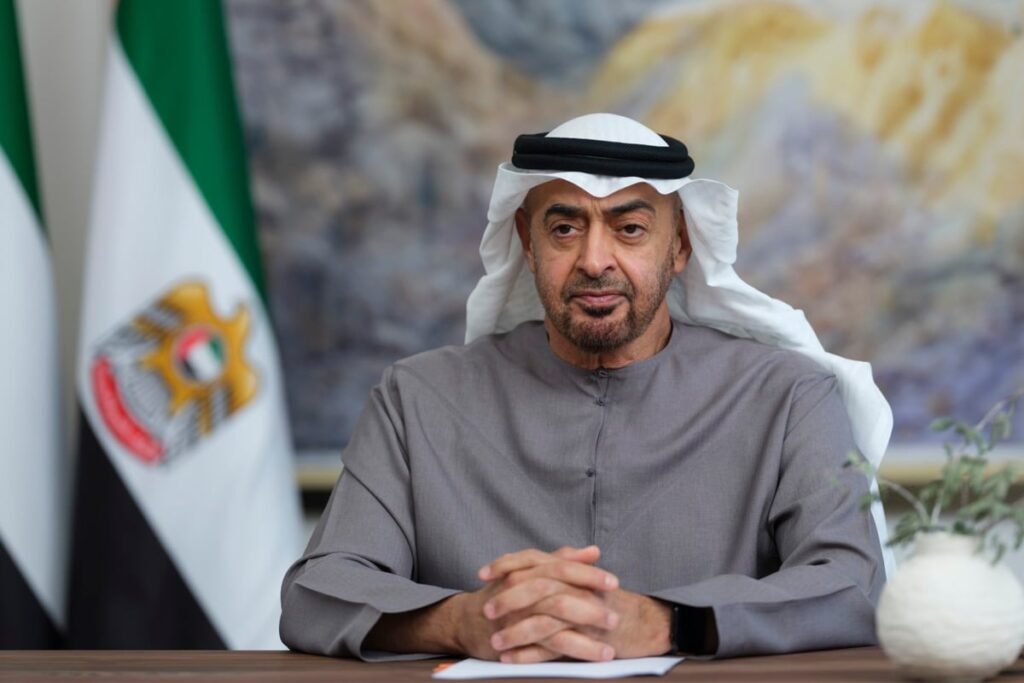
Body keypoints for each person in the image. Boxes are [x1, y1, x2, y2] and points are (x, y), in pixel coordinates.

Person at [279, 113, 891, 662]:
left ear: (679, 245)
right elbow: (316, 592)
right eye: (566, 229)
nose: (595, 260)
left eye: (630, 229)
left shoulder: (787, 397)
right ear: (528, 243)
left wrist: (668, 623)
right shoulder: (417, 399)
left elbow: (851, 585)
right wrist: (461, 621)